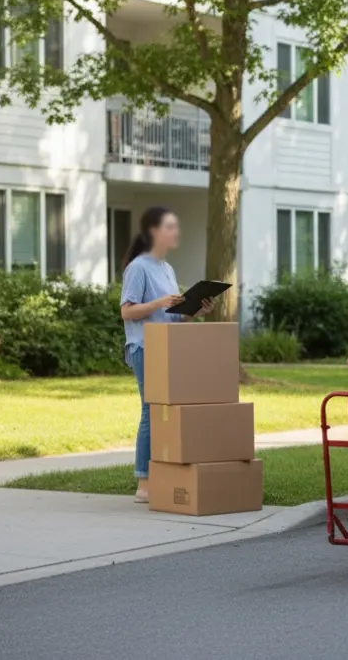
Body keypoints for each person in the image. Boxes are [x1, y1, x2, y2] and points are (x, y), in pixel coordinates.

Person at [119, 207, 214, 503]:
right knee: (151, 411)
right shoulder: (139, 267)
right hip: (145, 348)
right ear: (153, 232)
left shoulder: (167, 269)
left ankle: (163, 474)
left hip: (168, 346)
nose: (176, 233)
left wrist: (196, 309)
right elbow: (127, 311)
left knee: (168, 413)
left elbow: (173, 318)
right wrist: (159, 301)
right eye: (170, 227)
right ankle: (143, 483)